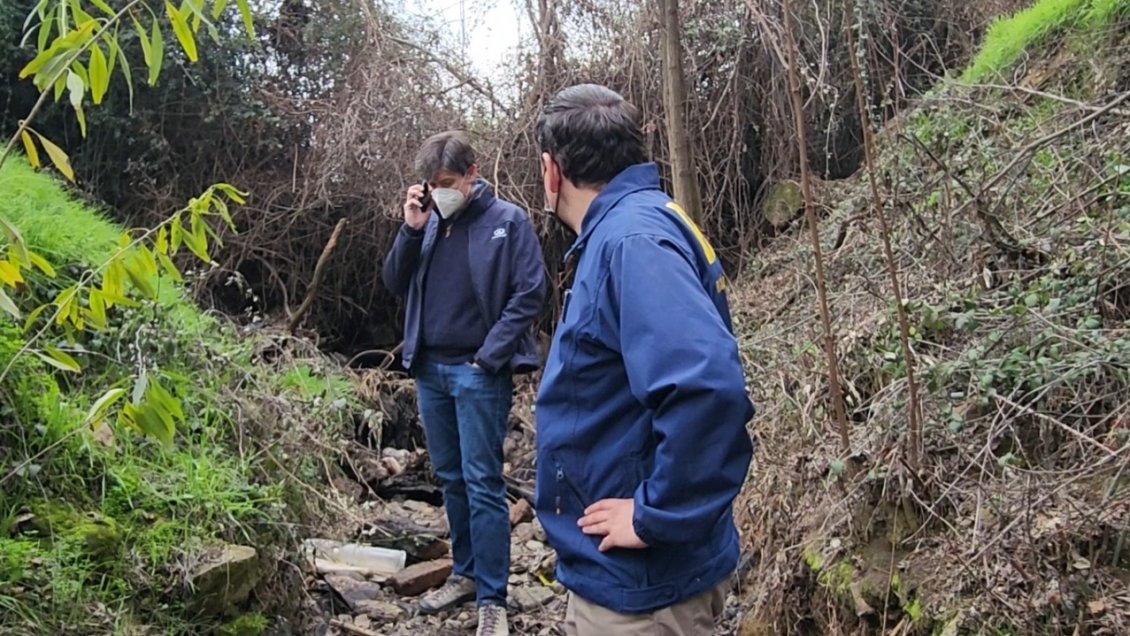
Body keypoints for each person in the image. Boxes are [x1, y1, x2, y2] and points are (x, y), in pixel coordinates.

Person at [533, 84, 756, 635]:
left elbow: (707, 388)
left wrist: (656, 514)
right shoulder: (642, 222)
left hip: (642, 590)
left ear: (551, 171)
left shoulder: (630, 242)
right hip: (638, 577)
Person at [382, 130, 546, 636]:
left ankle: (493, 597)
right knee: (450, 480)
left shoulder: (507, 221)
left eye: (448, 182)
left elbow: (531, 292)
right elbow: (393, 283)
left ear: (473, 173)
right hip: (430, 370)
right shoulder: (429, 223)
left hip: (478, 373)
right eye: (431, 185)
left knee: (482, 483)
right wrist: (410, 230)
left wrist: (489, 356)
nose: (440, 192)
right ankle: (466, 573)